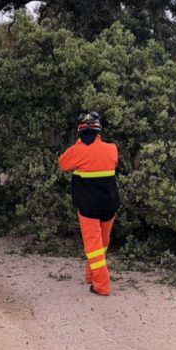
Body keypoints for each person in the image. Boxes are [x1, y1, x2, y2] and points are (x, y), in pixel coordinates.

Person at [58, 111, 120, 296]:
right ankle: (90, 275)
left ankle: (101, 285)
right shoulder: (111, 149)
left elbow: (63, 164)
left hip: (88, 207)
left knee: (93, 246)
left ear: (80, 131)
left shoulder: (77, 151)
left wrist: (79, 144)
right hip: (110, 205)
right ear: (98, 130)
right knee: (102, 243)